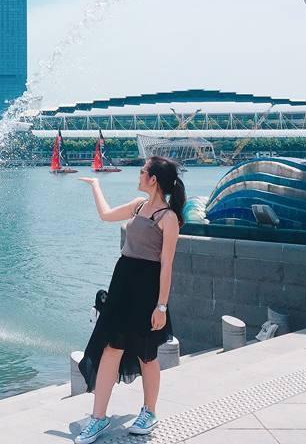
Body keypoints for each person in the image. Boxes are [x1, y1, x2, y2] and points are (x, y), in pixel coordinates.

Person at [73, 156, 183, 443]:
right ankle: (98, 418)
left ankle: (149, 411)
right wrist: (95, 185)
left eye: (143, 171)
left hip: (146, 289)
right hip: (123, 282)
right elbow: (106, 215)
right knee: (111, 348)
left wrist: (161, 305)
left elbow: (167, 265)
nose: (139, 174)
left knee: (147, 355)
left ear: (153, 179)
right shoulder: (137, 205)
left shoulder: (168, 218)